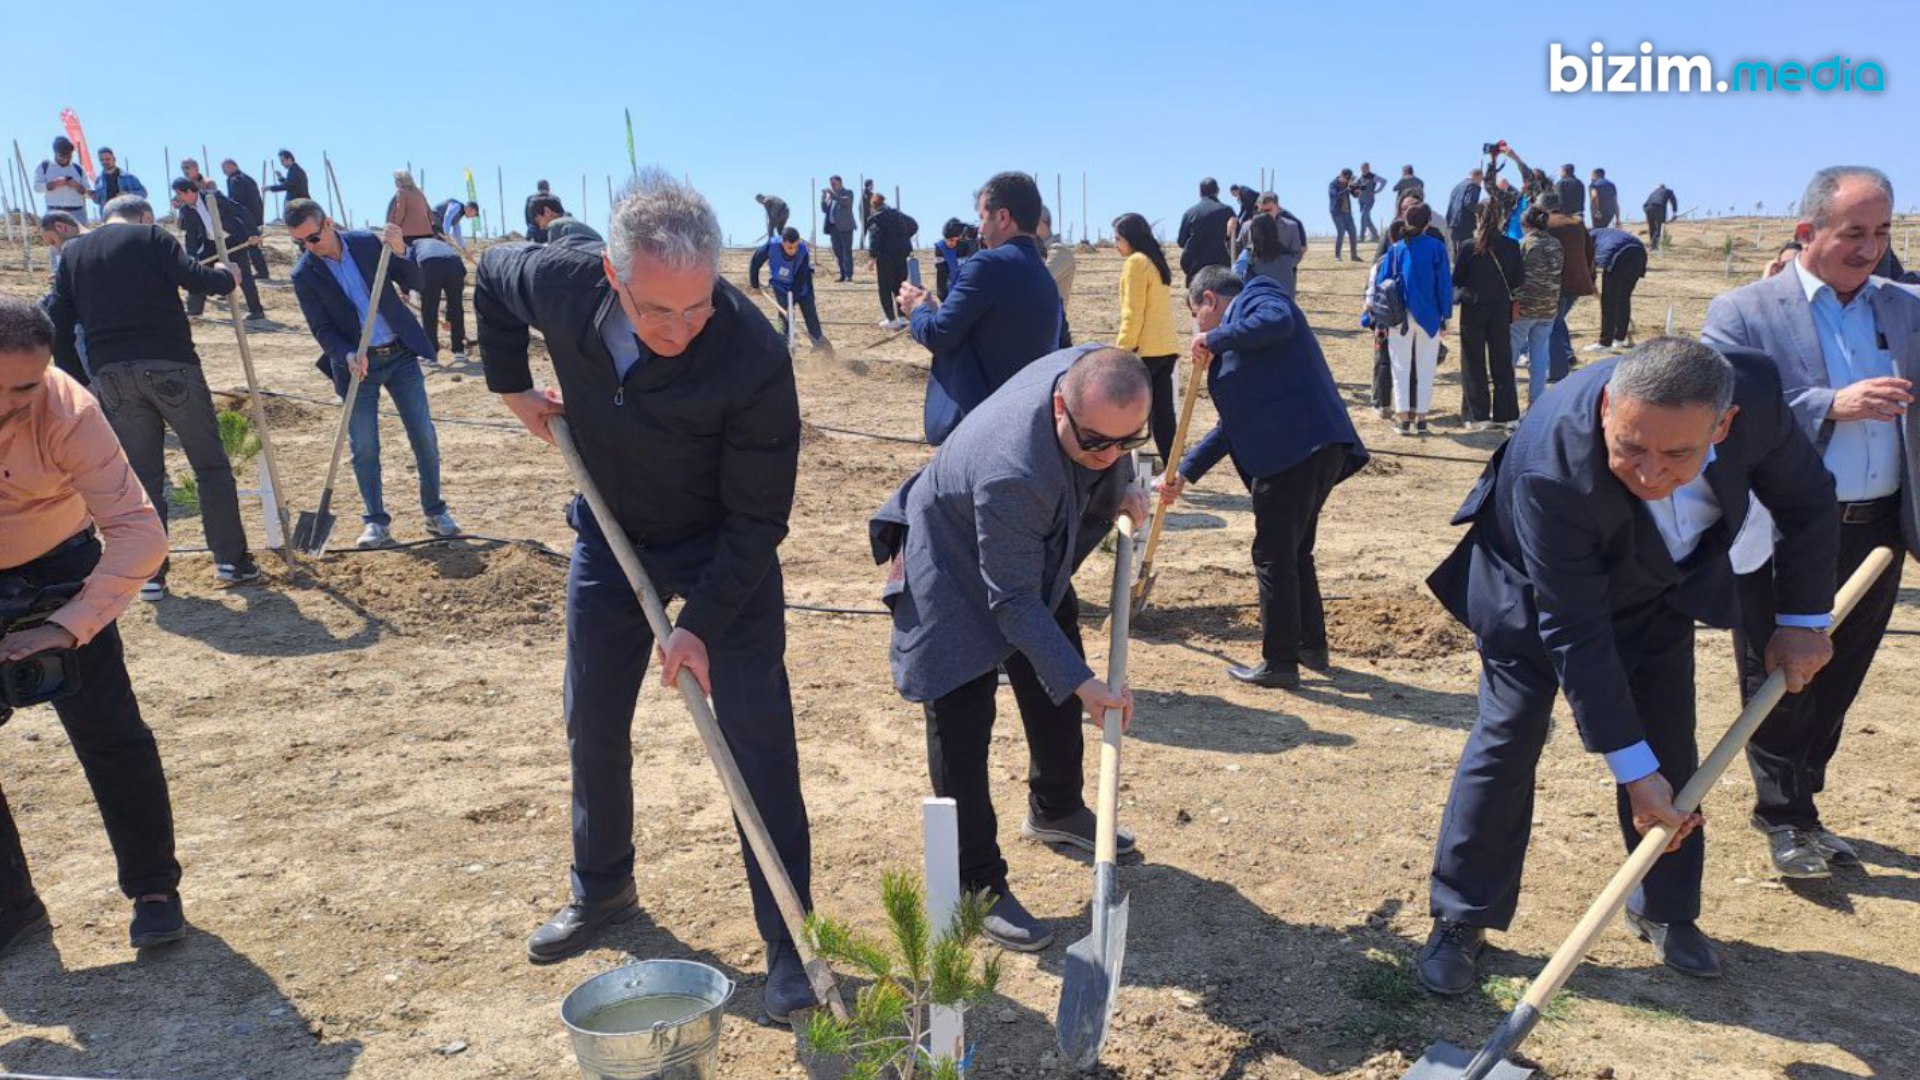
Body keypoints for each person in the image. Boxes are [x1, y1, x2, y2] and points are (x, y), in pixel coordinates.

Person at [473, 172, 819, 1024]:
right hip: (611, 531)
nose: (679, 329)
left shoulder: (752, 354)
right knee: (591, 715)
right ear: (613, 277)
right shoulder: (560, 282)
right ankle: (602, 887)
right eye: (657, 311)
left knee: (757, 743)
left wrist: (698, 625)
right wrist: (511, 386)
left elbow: (758, 518)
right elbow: (488, 276)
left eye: (697, 307)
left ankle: (792, 946)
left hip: (721, 552)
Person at [1416, 339, 1840, 994]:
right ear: (1608, 408)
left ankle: (1665, 907)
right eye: (1630, 447)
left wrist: (1803, 620)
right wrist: (1632, 773)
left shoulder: (1752, 394)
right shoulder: (1554, 467)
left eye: (1676, 456)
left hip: (1661, 585)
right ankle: (1462, 915)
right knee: (1509, 736)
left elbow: (1807, 500)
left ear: (1723, 424)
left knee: (1669, 742)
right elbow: (1574, 629)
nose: (1649, 473)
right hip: (1532, 593)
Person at [870, 345, 1151, 952]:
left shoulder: (1098, 377)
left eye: (1127, 441)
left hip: (1027, 552)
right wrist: (1087, 687)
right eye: (1096, 443)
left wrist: (1122, 487)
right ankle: (975, 883)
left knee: (1055, 668)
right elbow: (1014, 602)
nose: (1110, 455)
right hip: (950, 565)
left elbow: (1110, 447)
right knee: (961, 714)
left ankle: (1056, 807)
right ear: (1061, 407)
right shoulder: (1013, 472)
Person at [1702, 166, 1920, 880]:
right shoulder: (1743, 312)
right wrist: (1830, 404)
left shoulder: (1906, 308)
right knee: (1779, 673)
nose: (1871, 248)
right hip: (1782, 528)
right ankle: (1784, 815)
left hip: (1878, 531)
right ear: (1807, 232)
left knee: (1840, 673)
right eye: (1854, 232)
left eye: (1882, 231)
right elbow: (1720, 413)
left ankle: (1804, 801)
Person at [0, 295, 185, 956]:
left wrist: (69, 624)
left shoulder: (70, 411)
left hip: (60, 567)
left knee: (112, 736)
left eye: (26, 387)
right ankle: (11, 909)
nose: (13, 404)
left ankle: (155, 890)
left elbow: (140, 533)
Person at [1158, 266, 1368, 687]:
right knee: (1295, 551)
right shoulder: (1237, 345)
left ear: (1209, 300)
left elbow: (1278, 320)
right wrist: (1185, 471)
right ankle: (1310, 646)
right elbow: (1232, 426)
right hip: (1305, 448)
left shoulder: (1258, 295)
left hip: (1296, 449)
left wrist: (1215, 338)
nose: (1198, 329)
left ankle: (1280, 661)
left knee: (1273, 554)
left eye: (1196, 317)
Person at [46, 192, 263, 597]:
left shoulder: (72, 253)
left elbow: (57, 318)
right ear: (144, 216)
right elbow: (196, 279)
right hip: (170, 365)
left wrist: (79, 379)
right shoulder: (152, 236)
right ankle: (231, 562)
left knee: (144, 477)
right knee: (210, 466)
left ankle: (150, 575)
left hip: (111, 374)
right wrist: (227, 276)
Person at [285, 199, 458, 549]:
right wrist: (346, 354)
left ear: (328, 223)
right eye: (299, 242)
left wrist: (401, 251)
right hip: (356, 369)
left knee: (423, 435)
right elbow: (321, 328)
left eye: (313, 238)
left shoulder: (366, 243)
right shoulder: (304, 274)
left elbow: (415, 281)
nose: (308, 247)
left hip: (400, 355)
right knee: (364, 446)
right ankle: (376, 522)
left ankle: (435, 511)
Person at [897, 172, 1061, 445]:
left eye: (983, 218)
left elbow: (939, 335)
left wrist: (917, 310)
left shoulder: (987, 265)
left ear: (1003, 217)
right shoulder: (1044, 276)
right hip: (1027, 424)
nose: (980, 230)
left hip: (983, 427)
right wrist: (938, 309)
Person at [1374, 204, 1452, 435]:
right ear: (1427, 222)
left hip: (1399, 316)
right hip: (1429, 315)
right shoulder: (1437, 247)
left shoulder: (1396, 249)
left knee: (1400, 367)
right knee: (1426, 367)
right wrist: (1446, 315)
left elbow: (1382, 284)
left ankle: (1403, 418)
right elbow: (1444, 284)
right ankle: (1422, 418)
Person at [1112, 212, 1181, 464]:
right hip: (1166, 348)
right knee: (1163, 417)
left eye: (1117, 239)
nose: (1115, 245)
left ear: (1129, 238)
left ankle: (1119, 468)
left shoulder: (1135, 262)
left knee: (1124, 413)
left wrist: (1122, 350)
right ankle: (1172, 468)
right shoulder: (1154, 261)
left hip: (1144, 350)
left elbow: (1133, 312)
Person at [1451, 200, 1524, 431]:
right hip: (1500, 308)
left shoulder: (1468, 246)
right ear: (1501, 218)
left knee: (1473, 362)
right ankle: (1507, 414)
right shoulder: (1512, 246)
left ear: (1477, 219)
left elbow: (1457, 279)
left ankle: (1477, 415)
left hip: (1473, 307)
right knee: (1502, 360)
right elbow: (1518, 280)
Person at [169, 178, 265, 323]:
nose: (178, 198)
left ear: (188, 192)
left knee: (244, 275)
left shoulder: (213, 197)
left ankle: (256, 311)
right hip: (210, 243)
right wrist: (192, 256)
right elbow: (191, 235)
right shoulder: (186, 210)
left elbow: (241, 210)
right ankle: (194, 309)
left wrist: (254, 233)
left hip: (232, 239)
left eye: (179, 194)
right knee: (198, 272)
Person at [1511, 205, 1564, 409]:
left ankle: (1510, 401)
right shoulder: (1556, 244)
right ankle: (1536, 401)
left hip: (1524, 308)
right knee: (1540, 355)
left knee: (1511, 355)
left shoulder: (1523, 244)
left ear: (1525, 224)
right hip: (1549, 307)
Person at [749, 227, 827, 350]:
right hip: (780, 286)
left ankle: (819, 344)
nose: (793, 250)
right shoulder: (771, 246)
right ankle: (783, 345)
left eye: (795, 247)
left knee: (810, 314)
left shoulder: (803, 252)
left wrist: (791, 304)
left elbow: (800, 280)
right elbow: (755, 262)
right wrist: (755, 285)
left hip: (802, 287)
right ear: (782, 242)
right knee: (783, 317)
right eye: (790, 247)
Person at [410, 234, 470, 361]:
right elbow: (463, 272)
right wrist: (449, 316)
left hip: (429, 265)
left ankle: (431, 353)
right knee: (456, 306)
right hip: (455, 265)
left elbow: (410, 270)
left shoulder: (413, 246)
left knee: (429, 309)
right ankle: (459, 351)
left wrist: (405, 291)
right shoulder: (443, 244)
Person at [864, 192, 917, 329]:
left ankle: (891, 319)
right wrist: (902, 237)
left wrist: (872, 257)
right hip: (901, 254)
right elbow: (914, 225)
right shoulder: (897, 214)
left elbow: (875, 237)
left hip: (886, 257)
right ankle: (902, 317)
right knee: (899, 286)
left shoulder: (876, 218)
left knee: (885, 288)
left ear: (873, 206)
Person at [1591, 225, 1648, 350]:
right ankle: (1620, 339)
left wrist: (1592, 284)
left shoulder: (1588, 237)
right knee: (1623, 299)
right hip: (1639, 253)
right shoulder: (1604, 232)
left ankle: (1605, 343)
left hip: (1618, 255)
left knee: (1608, 301)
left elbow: (1588, 263)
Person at [1235, 204, 1305, 299]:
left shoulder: (1249, 254)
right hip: (1285, 300)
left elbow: (1236, 274)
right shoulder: (1287, 254)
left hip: (1258, 300)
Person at [220, 159, 272, 281]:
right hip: (253, 216)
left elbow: (236, 201)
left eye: (224, 168)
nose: (223, 172)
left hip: (244, 216)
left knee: (249, 244)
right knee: (252, 244)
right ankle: (262, 271)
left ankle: (260, 271)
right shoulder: (247, 178)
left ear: (232, 166)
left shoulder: (236, 180)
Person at [1176, 178, 1234, 284]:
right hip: (1222, 267)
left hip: (1196, 268)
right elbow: (1235, 238)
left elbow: (1181, 242)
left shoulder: (1189, 213)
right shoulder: (1227, 211)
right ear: (1218, 191)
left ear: (1200, 193)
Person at [1039, 206, 1075, 349]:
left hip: (1052, 335)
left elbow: (1034, 281)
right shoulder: (1041, 251)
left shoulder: (1059, 252)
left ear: (1040, 223)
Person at [34, 137, 91, 221]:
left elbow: (89, 194)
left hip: (77, 213)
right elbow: (37, 188)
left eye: (69, 156)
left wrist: (77, 186)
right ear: (55, 153)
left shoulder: (78, 169)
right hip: (54, 213)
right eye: (62, 156)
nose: (65, 160)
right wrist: (55, 183)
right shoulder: (44, 166)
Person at [821, 176, 856, 282]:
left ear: (840, 183)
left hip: (845, 227)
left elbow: (846, 202)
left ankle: (848, 275)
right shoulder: (831, 197)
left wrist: (833, 195)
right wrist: (823, 198)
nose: (832, 186)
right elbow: (824, 209)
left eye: (834, 184)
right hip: (833, 228)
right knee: (838, 252)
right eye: (831, 184)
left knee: (846, 251)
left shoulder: (848, 193)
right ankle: (842, 274)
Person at [530, 195, 603, 245]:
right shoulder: (575, 224)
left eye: (538, 221)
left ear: (547, 211)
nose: (541, 227)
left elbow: (554, 257)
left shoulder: (556, 225)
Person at [1445, 169, 1484, 261]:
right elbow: (1469, 203)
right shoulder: (1472, 186)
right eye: (1481, 179)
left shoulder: (1457, 187)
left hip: (1453, 224)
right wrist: (1482, 209)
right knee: (1466, 253)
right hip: (1465, 224)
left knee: (1457, 254)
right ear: (1477, 176)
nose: (1481, 182)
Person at [387, 170, 435, 243]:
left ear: (401, 181)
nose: (395, 182)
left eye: (396, 180)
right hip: (426, 232)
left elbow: (400, 212)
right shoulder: (419, 192)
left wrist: (394, 227)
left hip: (409, 234)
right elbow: (428, 211)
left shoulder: (402, 192)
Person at [933, 218, 973, 302]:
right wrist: (942, 295)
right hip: (950, 286)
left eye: (953, 240)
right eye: (948, 240)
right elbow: (941, 274)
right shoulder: (940, 248)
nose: (950, 243)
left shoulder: (964, 246)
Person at [1327, 169, 1360, 262]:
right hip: (1337, 213)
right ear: (1341, 175)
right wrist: (1347, 189)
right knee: (1341, 233)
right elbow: (1335, 196)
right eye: (1346, 178)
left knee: (1353, 233)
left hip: (1347, 212)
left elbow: (1354, 195)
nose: (1347, 180)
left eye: (1349, 179)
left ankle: (1354, 256)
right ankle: (1337, 256)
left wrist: (1357, 192)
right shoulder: (1333, 184)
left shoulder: (1347, 183)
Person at [1356, 163, 1388, 241]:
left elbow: (1384, 181)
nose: (1363, 170)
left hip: (1369, 200)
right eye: (1362, 168)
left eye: (1364, 168)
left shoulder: (1373, 176)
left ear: (1368, 168)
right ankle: (1375, 235)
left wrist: (1378, 191)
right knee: (1366, 219)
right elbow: (1356, 187)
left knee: (1363, 216)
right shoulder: (1360, 177)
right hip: (1361, 200)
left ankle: (1361, 237)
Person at [1644, 183, 1678, 248]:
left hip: (1647, 208)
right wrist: (1674, 213)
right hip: (1658, 207)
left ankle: (1653, 245)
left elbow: (1646, 203)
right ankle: (1654, 246)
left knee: (1652, 228)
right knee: (1659, 228)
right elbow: (1673, 200)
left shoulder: (1653, 192)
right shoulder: (1668, 191)